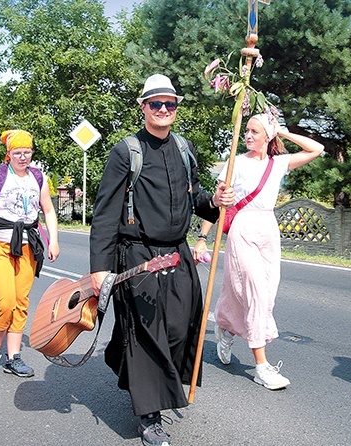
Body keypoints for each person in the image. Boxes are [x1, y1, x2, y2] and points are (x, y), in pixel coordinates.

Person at [89, 75, 234, 446]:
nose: (164, 110)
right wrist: (100, 269)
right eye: (156, 104)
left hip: (178, 252)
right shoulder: (127, 151)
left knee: (182, 326)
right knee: (148, 332)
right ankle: (149, 416)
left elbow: (196, 198)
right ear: (144, 108)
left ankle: (136, 376)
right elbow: (105, 213)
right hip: (138, 254)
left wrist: (215, 202)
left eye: (170, 104)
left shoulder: (185, 149)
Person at [194, 112, 324, 390]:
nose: (249, 136)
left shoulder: (278, 164)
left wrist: (282, 131)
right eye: (247, 131)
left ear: (268, 136)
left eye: (255, 131)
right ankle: (262, 366)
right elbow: (219, 203)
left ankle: (227, 326)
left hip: (268, 230)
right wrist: (202, 237)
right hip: (242, 228)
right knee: (255, 294)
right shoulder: (236, 163)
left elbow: (317, 149)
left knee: (263, 293)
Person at [0, 129, 59, 381]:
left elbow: (48, 211)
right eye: (17, 153)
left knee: (20, 301)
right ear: (8, 154)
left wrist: (53, 241)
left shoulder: (38, 178)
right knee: (5, 300)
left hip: (29, 244)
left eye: (27, 152)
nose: (22, 157)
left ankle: (13, 357)